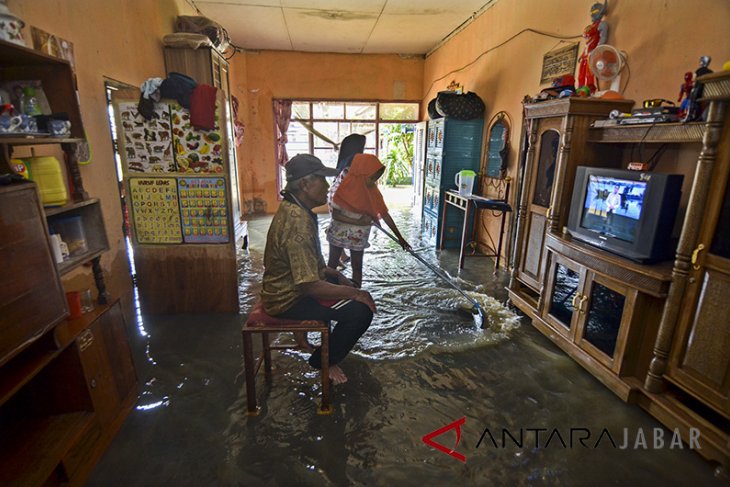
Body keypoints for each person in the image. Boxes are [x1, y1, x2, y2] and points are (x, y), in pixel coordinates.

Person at [261, 154, 376, 385]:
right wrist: (357, 294)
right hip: (287, 299)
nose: (328, 187)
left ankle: (319, 348)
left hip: (284, 288)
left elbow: (312, 267)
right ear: (305, 184)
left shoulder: (296, 207)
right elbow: (309, 286)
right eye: (322, 180)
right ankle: (322, 360)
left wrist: (337, 275)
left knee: (346, 286)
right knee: (360, 311)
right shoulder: (298, 223)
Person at [326, 153, 411, 288]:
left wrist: (400, 237)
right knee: (332, 264)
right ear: (361, 173)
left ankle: (357, 292)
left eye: (376, 178)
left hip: (358, 236)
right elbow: (336, 215)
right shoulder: (344, 188)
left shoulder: (372, 191)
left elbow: (385, 214)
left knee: (357, 266)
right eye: (372, 177)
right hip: (339, 233)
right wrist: (358, 222)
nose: (374, 181)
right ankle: (329, 291)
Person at [331, 134, 367, 266]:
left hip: (334, 197)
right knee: (345, 228)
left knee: (338, 230)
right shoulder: (354, 161)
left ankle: (339, 258)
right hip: (343, 201)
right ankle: (340, 259)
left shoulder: (344, 160)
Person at [577, 0, 608, 93]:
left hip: (592, 53)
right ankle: (580, 89)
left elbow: (603, 38)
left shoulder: (602, 24)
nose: (592, 15)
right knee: (581, 75)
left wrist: (597, 50)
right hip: (585, 54)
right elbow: (587, 43)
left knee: (589, 74)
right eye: (592, 13)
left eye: (594, 13)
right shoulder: (590, 26)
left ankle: (590, 90)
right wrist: (581, 55)